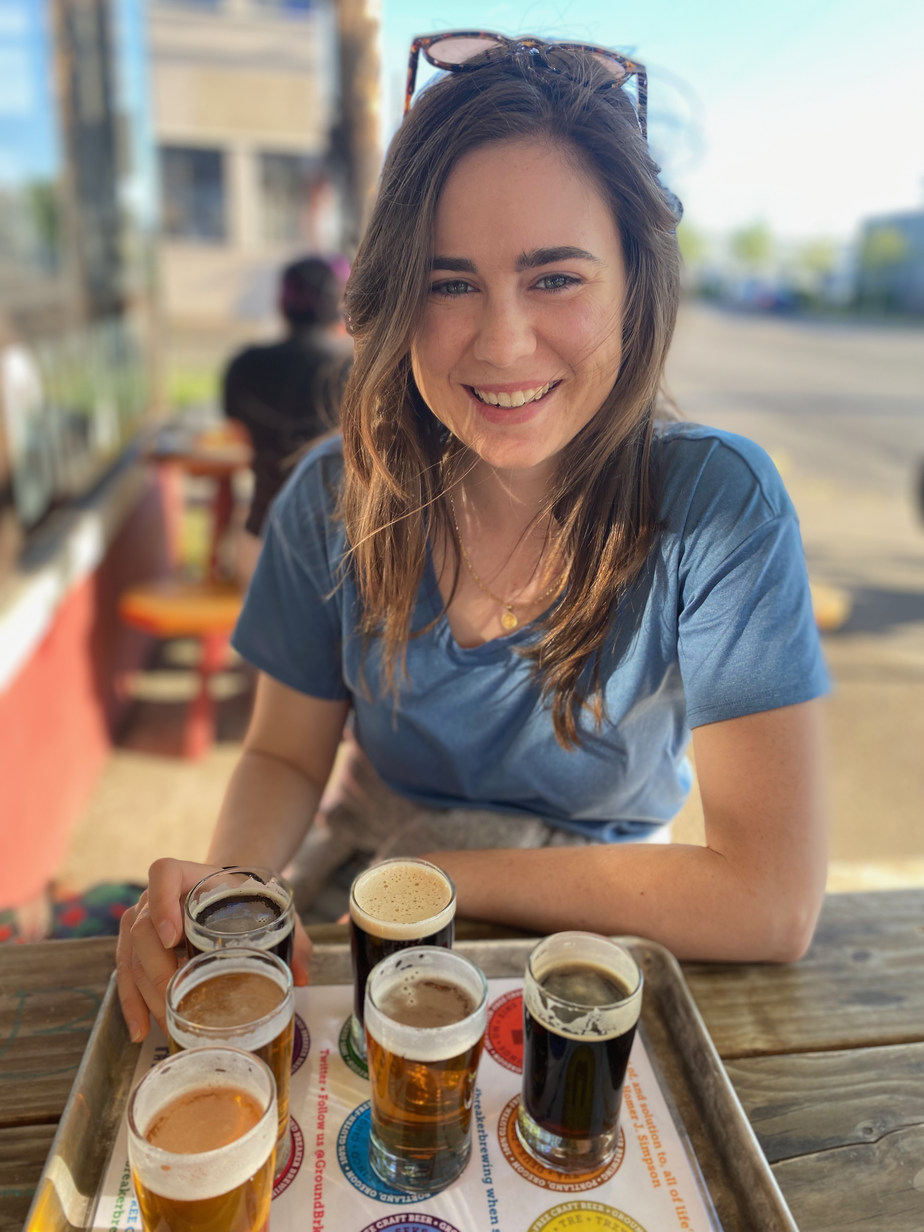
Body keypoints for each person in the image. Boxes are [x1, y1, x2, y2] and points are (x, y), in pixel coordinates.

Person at [117, 35, 828, 1041]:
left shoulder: (716, 507)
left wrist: (438, 875)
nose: (502, 342)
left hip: (603, 931)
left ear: (638, 282)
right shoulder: (334, 496)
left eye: (556, 278)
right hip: (365, 897)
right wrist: (230, 894)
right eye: (449, 284)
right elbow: (282, 755)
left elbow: (769, 900)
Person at [223, 254, 352, 585]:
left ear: (282, 305)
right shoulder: (357, 371)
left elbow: (238, 438)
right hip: (341, 549)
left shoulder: (244, 366)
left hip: (261, 542)